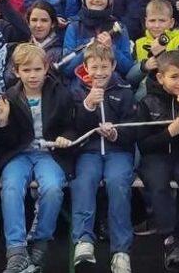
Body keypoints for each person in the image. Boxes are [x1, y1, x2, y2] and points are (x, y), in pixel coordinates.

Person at [0, 43, 77, 273]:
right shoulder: (9, 96)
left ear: (46, 68)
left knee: (52, 188)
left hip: (49, 153)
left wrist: (64, 138)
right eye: (27, 70)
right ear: (16, 71)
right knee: (10, 187)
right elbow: (7, 142)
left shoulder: (59, 92)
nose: (32, 76)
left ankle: (40, 245)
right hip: (19, 153)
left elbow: (71, 127)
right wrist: (3, 122)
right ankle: (16, 250)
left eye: (37, 70)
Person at [69, 43, 138, 273]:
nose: (99, 72)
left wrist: (115, 133)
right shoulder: (77, 91)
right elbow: (74, 129)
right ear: (85, 68)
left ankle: (120, 251)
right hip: (88, 152)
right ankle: (84, 241)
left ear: (114, 65)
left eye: (104, 67)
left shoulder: (125, 90)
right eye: (94, 67)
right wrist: (88, 106)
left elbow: (132, 129)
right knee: (83, 182)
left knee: (118, 184)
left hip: (117, 152)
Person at [136, 51, 179, 271]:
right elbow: (143, 144)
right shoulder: (147, 102)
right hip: (155, 156)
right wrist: (168, 133)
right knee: (157, 185)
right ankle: (169, 238)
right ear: (160, 78)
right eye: (174, 76)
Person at [60, 0, 136, 77]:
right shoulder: (74, 27)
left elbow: (127, 68)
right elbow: (66, 69)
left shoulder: (120, 27)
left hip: (112, 86)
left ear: (109, 0)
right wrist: (85, 51)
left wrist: (111, 48)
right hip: (80, 87)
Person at [128, 0, 179, 98]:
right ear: (146, 22)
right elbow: (130, 78)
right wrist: (144, 67)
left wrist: (161, 55)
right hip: (145, 95)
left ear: (171, 22)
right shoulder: (139, 43)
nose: (157, 25)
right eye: (152, 21)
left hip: (173, 93)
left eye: (162, 21)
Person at [6, 0, 64, 86]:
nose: (38, 25)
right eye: (34, 20)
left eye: (44, 20)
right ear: (28, 23)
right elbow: (8, 77)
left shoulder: (58, 52)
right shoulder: (20, 48)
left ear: (53, 23)